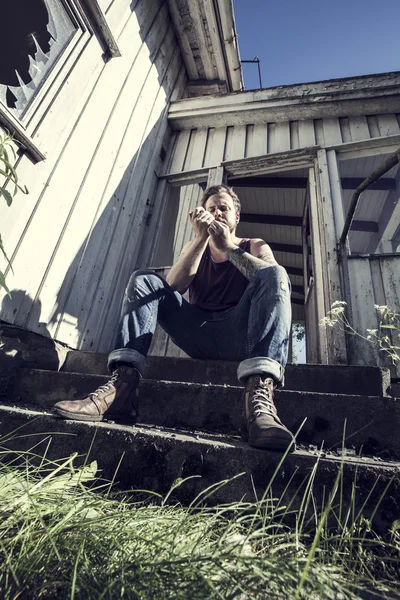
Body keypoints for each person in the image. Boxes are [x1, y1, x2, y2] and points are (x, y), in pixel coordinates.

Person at [53, 185, 295, 451]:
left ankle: (258, 400)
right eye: (211, 208)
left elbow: (274, 281)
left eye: (223, 208)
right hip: (197, 331)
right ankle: (122, 386)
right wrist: (201, 239)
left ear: (236, 216)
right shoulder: (194, 248)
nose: (217, 212)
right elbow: (172, 287)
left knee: (276, 273)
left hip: (240, 337)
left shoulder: (255, 245)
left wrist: (229, 248)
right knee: (144, 280)